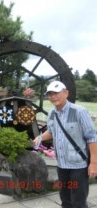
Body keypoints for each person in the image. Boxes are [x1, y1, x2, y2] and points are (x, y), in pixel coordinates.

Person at [33, 80, 97, 208]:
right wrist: (39, 137)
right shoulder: (52, 113)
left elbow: (92, 137)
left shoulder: (79, 112)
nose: (53, 96)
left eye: (56, 93)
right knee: (65, 200)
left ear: (66, 93)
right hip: (62, 165)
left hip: (78, 166)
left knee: (78, 202)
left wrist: (94, 163)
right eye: (50, 94)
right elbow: (52, 132)